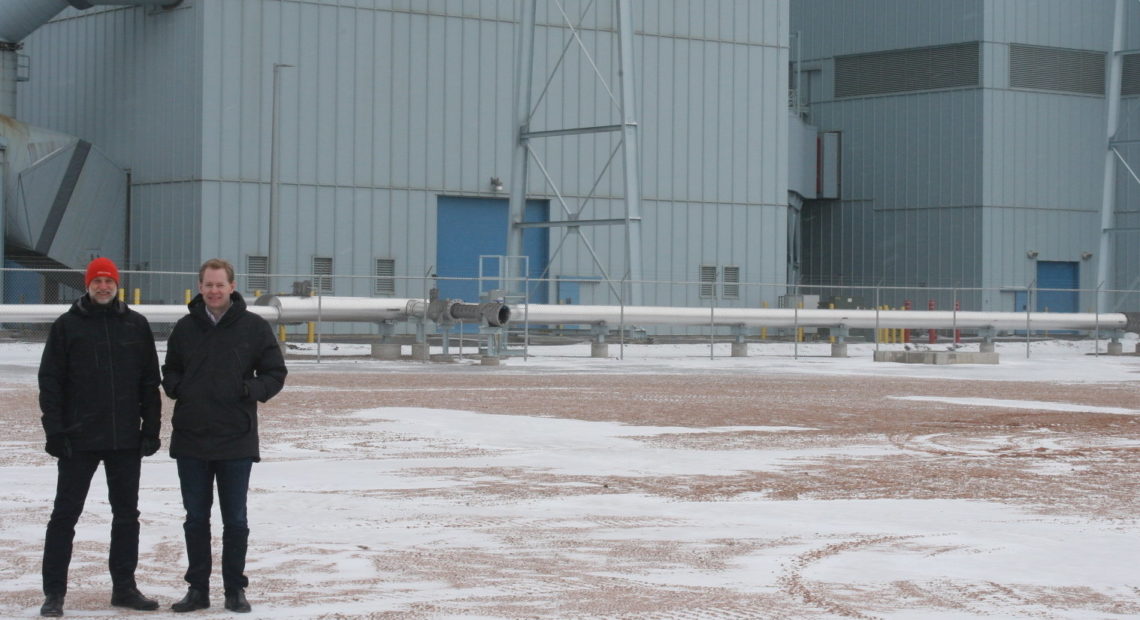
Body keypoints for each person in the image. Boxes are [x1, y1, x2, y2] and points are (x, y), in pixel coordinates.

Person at [37, 257, 162, 617]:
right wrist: (55, 431)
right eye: (97, 281)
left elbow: (149, 382)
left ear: (117, 284)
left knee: (126, 515)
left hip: (125, 439)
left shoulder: (135, 325)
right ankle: (54, 593)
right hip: (78, 440)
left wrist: (150, 429)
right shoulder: (67, 326)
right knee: (64, 516)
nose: (103, 287)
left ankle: (124, 588)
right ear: (87, 286)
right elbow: (51, 382)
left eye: (108, 281)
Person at [162, 258, 287, 613]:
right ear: (199, 288)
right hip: (192, 439)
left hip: (235, 438)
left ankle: (235, 588)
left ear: (232, 287)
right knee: (196, 518)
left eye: (220, 285)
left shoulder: (253, 327)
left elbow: (275, 373)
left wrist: (249, 390)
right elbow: (170, 369)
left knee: (235, 520)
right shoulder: (185, 328)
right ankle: (197, 589)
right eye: (208, 285)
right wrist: (178, 388)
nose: (214, 291)